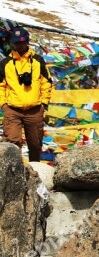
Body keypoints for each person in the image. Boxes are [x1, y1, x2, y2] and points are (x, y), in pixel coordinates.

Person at [0, 27, 52, 162]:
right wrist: (3, 105)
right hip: (12, 110)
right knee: (12, 143)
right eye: (17, 42)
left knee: (35, 145)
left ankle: (35, 173)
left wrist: (44, 104)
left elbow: (46, 82)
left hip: (34, 110)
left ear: (27, 42)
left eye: (22, 42)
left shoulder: (38, 60)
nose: (20, 45)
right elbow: (1, 86)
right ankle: (12, 173)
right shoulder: (5, 63)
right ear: (12, 43)